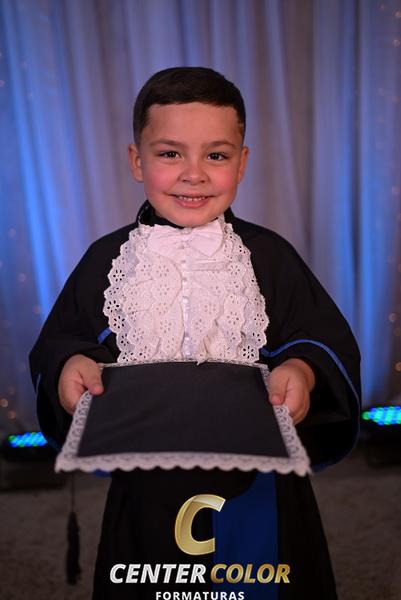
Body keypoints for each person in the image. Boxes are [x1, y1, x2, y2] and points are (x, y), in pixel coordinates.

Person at [29, 67, 361, 599]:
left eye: (216, 155)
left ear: (242, 162)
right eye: (170, 153)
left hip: (259, 482)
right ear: (136, 160)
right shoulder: (107, 261)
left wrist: (302, 371)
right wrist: (72, 366)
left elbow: (320, 338)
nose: (194, 174)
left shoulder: (270, 256)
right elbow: (62, 343)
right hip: (147, 481)